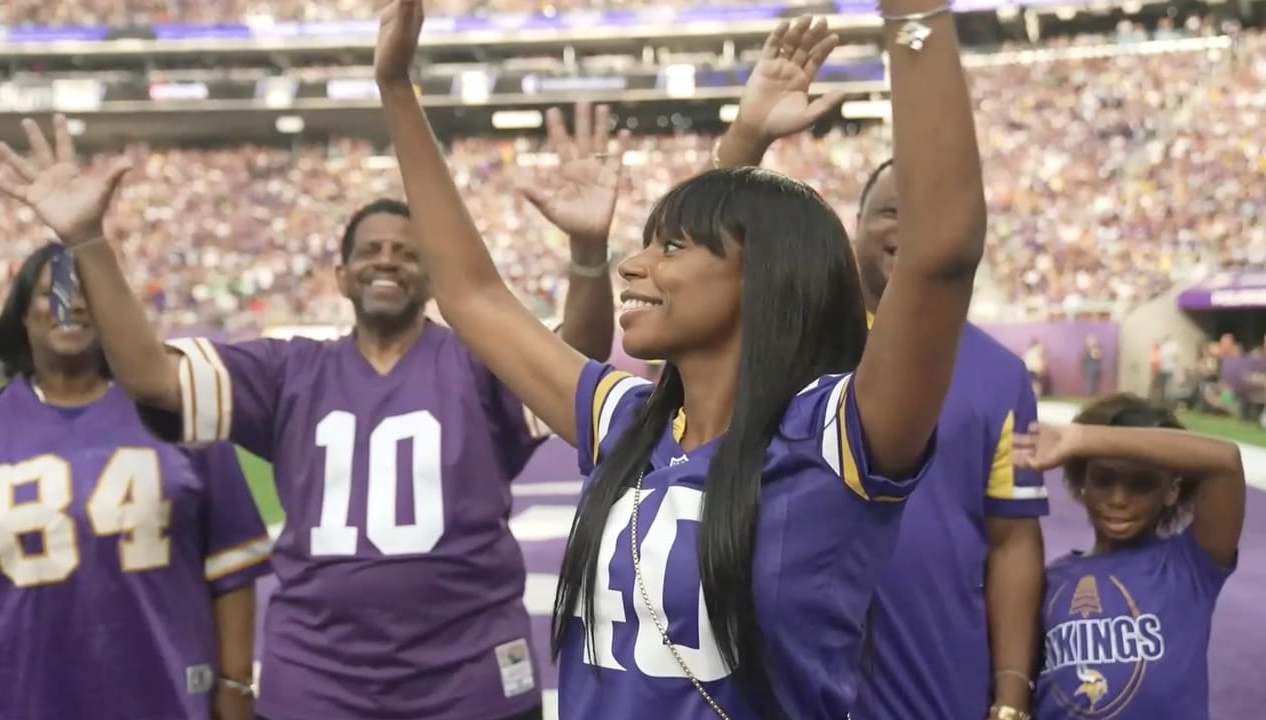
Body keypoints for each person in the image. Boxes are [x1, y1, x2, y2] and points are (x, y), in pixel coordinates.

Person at [375, 2, 985, 718]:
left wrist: (913, 16)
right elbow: (472, 294)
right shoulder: (628, 424)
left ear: (763, 278)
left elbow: (939, 256)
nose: (630, 266)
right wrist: (394, 84)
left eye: (667, 248)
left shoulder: (832, 439)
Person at [0, 107, 615, 719]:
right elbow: (153, 378)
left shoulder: (477, 365)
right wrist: (87, 242)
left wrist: (587, 252)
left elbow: (573, 371)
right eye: (371, 250)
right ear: (340, 276)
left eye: (406, 251)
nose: (388, 260)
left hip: (470, 678)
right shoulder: (287, 372)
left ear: (433, 277)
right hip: (317, 682)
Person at [714, 19, 1048, 720]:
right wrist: (746, 143)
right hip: (785, 677)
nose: (911, 229)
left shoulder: (1001, 373)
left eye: (927, 212)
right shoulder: (797, 338)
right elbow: (710, 266)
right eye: (891, 212)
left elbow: (1013, 539)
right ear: (855, 227)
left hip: (938, 680)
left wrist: (1012, 694)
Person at [0, 243, 270, 720]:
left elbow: (232, 569)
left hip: (166, 694)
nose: (69, 303)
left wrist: (235, 685)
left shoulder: (179, 416)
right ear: (21, 318)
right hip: (18, 694)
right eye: (49, 293)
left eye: (84, 291)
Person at [1012, 394, 1244, 720]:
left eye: (1142, 484)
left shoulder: (1190, 564)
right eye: (1103, 479)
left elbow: (1226, 461)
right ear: (1082, 481)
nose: (1119, 499)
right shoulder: (1048, 581)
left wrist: (1081, 438)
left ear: (1172, 490)